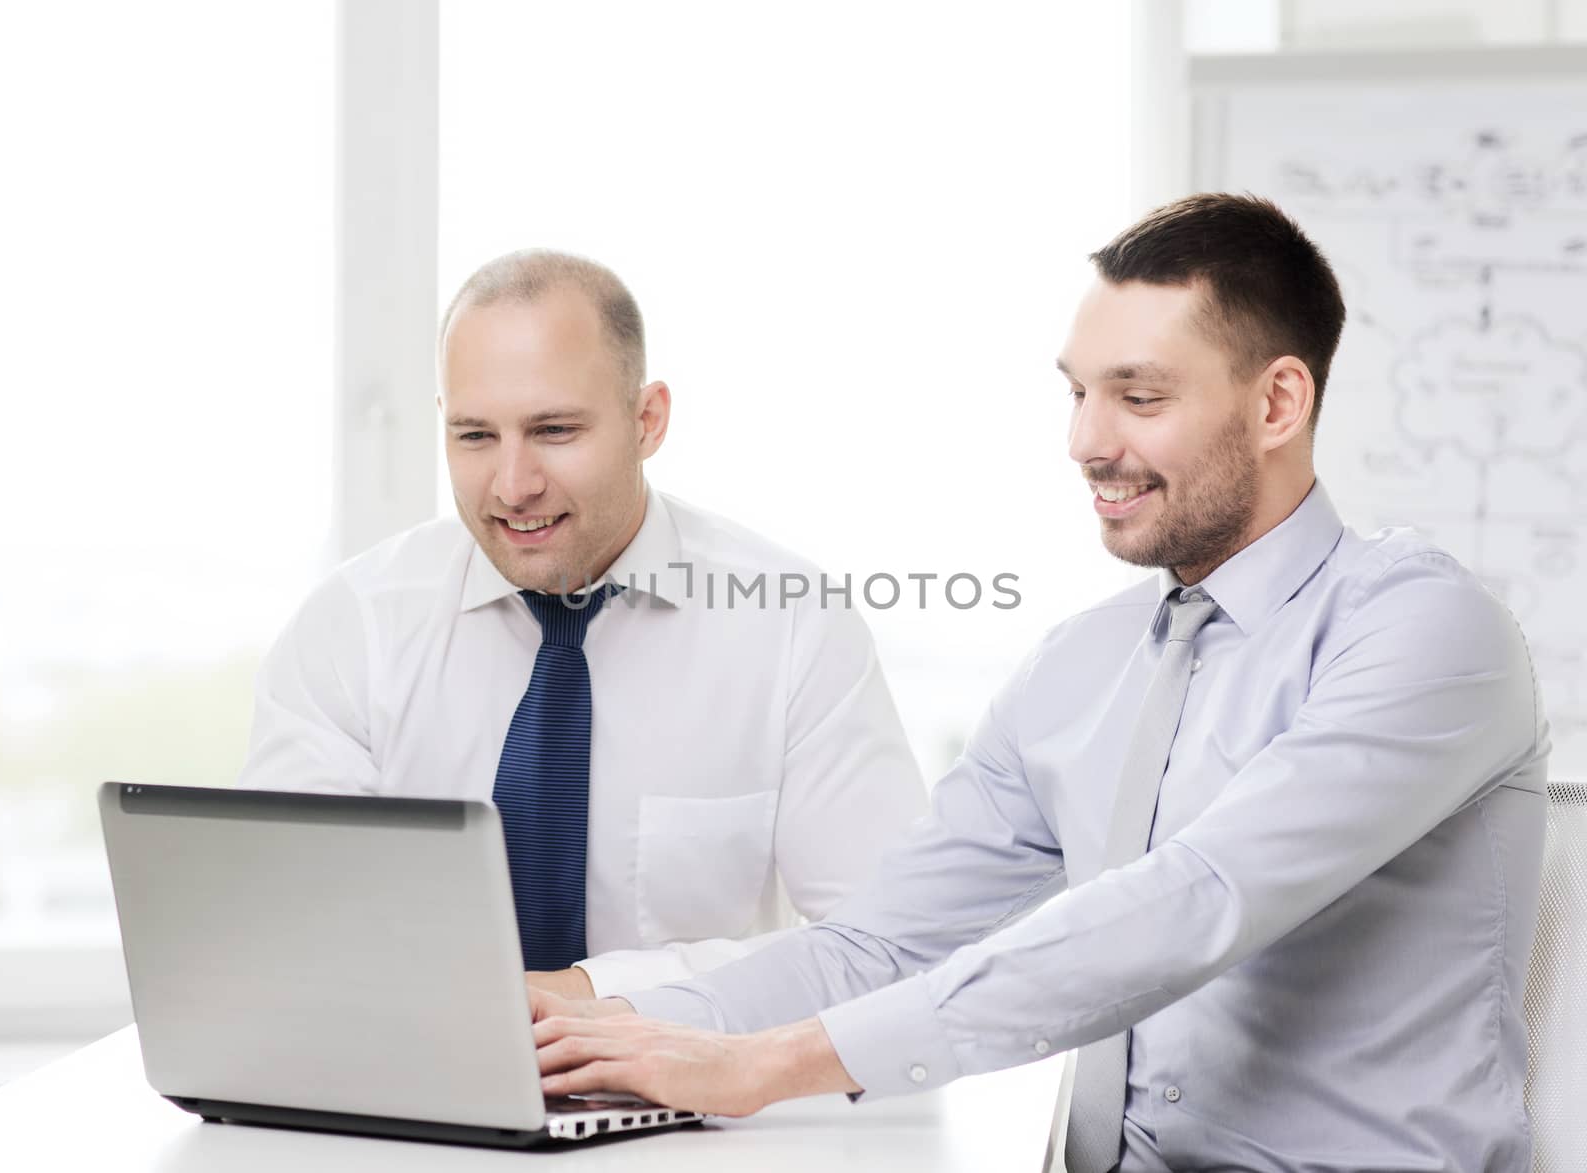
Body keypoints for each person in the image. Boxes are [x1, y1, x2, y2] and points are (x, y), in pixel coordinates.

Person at [528, 195, 1550, 1173]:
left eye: (1139, 398)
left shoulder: (1424, 633)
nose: (1087, 443)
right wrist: (604, 1034)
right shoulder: (1081, 666)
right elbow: (880, 946)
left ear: (1278, 401)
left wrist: (766, 1066)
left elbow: (1196, 902)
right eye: (1078, 392)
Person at [238, 250, 926, 1000]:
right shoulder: (353, 630)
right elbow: (288, 935)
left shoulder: (792, 626)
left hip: (700, 1104)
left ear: (647, 419)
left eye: (555, 430)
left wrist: (595, 994)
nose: (513, 485)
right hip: (404, 1097)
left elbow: (888, 945)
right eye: (474, 436)